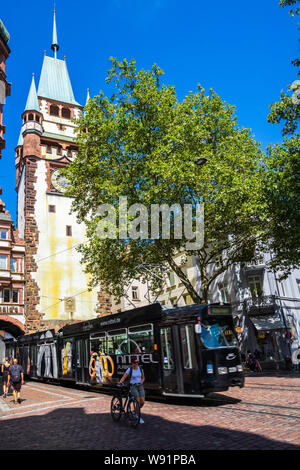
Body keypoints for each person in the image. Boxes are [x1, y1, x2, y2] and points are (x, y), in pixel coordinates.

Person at [118, 357, 146, 424]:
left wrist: (141, 382)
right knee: (138, 400)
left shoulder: (140, 369)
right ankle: (137, 415)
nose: (136, 364)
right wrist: (120, 382)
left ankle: (135, 411)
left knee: (142, 402)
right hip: (132, 386)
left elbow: (143, 378)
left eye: (137, 362)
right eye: (134, 363)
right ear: (132, 363)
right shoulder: (129, 370)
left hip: (140, 386)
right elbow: (124, 377)